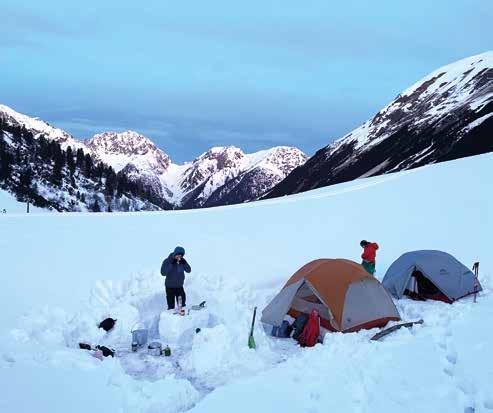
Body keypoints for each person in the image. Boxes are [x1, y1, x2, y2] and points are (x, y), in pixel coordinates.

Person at [160, 246, 191, 310]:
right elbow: (163, 273)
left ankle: (181, 314)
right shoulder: (167, 261)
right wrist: (171, 264)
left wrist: (185, 263)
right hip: (169, 287)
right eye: (178, 255)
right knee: (171, 306)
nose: (179, 257)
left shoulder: (182, 261)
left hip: (179, 287)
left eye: (181, 255)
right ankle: (170, 315)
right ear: (174, 254)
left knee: (181, 305)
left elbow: (189, 270)